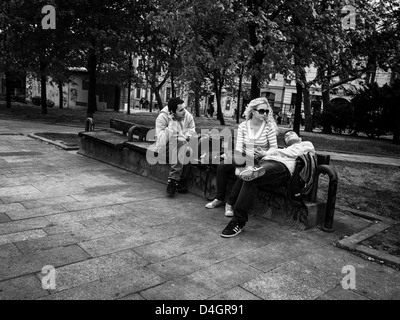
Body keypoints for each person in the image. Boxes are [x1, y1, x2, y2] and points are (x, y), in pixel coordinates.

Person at [220, 130, 315, 238]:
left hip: (282, 168)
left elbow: (295, 153)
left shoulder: (306, 144)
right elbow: (271, 155)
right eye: (286, 136)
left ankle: (237, 221)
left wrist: (268, 153)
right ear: (285, 143)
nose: (288, 135)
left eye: (291, 133)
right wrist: (262, 155)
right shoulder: (282, 150)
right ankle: (234, 209)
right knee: (249, 175)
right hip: (266, 164)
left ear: (299, 137)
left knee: (252, 174)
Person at [205, 97, 278, 217]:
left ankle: (230, 203)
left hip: (259, 160)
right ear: (253, 111)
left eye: (267, 111)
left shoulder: (268, 127)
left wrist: (264, 153)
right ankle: (219, 198)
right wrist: (237, 162)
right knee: (222, 166)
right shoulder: (244, 126)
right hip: (242, 157)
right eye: (261, 111)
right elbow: (238, 147)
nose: (264, 114)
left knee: (246, 172)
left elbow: (274, 148)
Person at [155, 97, 196, 196]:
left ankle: (173, 181)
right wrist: (171, 126)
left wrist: (185, 138)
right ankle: (179, 182)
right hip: (165, 148)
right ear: (172, 112)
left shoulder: (187, 115)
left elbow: (192, 130)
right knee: (185, 149)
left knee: (185, 149)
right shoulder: (162, 117)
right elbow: (161, 142)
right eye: (181, 110)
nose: (184, 112)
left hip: (182, 147)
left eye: (184, 108)